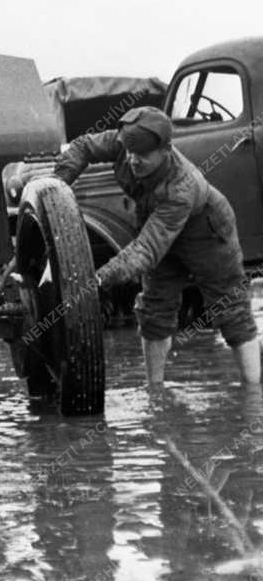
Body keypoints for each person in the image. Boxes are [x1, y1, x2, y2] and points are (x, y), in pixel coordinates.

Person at [53, 106, 260, 385]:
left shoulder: (180, 188)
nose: (132, 160)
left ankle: (253, 395)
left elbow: (145, 251)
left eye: (142, 155)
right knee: (154, 312)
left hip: (207, 235)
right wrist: (56, 184)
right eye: (128, 152)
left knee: (230, 309)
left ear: (165, 150)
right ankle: (155, 390)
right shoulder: (125, 142)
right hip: (158, 226)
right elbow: (84, 146)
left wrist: (100, 278)